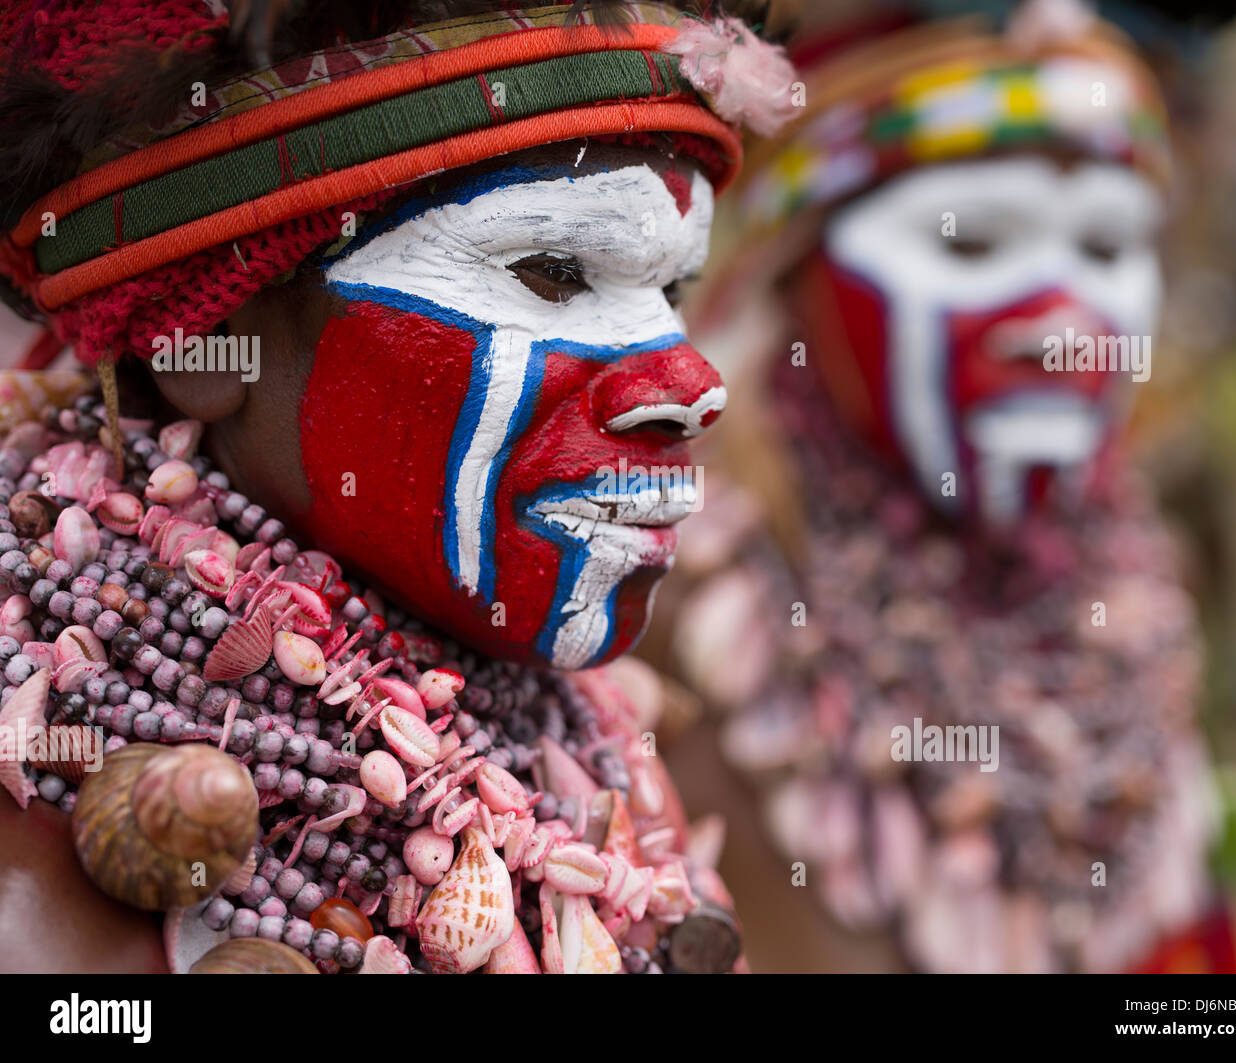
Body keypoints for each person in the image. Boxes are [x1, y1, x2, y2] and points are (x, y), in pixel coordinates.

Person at [0, 0, 797, 974]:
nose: (690, 388)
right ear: (206, 342)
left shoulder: (612, 769)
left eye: (670, 293)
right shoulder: (30, 912)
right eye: (553, 270)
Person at [662, 0, 1236, 972]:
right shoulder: (657, 624)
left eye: (1103, 248)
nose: (1063, 325)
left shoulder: (1144, 598)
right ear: (786, 274)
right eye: (972, 243)